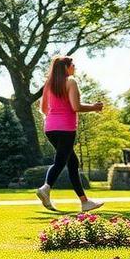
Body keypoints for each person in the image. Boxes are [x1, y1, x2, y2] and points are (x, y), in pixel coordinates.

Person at [36, 56, 104, 213]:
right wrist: (94, 107)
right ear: (66, 67)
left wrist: (54, 117)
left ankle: (85, 202)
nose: (74, 67)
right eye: (73, 64)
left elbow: (43, 108)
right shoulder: (70, 81)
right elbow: (75, 106)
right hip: (66, 128)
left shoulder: (48, 84)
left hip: (50, 129)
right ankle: (46, 188)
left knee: (72, 162)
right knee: (60, 161)